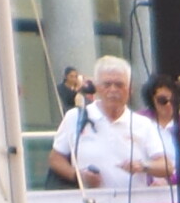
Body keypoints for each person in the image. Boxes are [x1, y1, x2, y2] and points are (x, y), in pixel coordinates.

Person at [45, 56, 168, 189]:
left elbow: (166, 166)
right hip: (89, 200)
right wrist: (77, 176)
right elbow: (55, 158)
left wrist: (143, 166)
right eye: (107, 84)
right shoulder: (75, 117)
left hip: (133, 200)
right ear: (97, 88)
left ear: (130, 89)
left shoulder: (143, 124)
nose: (113, 90)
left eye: (119, 85)